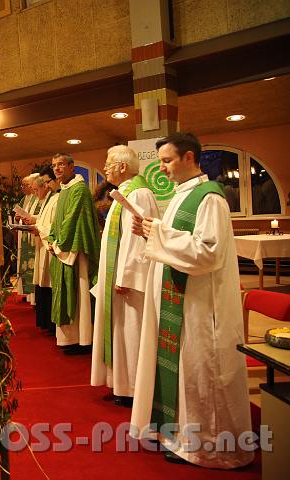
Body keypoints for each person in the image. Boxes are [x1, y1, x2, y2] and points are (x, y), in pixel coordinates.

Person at [130, 132, 252, 468]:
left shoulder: (209, 197)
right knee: (185, 371)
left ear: (189, 158)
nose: (163, 169)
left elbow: (207, 252)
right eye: (160, 163)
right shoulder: (182, 196)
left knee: (201, 371)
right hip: (181, 300)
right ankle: (182, 436)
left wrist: (158, 233)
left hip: (201, 304)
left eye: (167, 161)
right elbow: (173, 242)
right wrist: (152, 230)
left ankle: (210, 447)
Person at [90, 146, 159, 408]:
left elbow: (138, 238)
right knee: (120, 329)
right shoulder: (123, 192)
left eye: (108, 163)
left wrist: (126, 276)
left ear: (122, 167)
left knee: (130, 328)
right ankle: (121, 382)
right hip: (117, 276)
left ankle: (132, 386)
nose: (105, 167)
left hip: (127, 282)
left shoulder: (139, 192)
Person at [46, 153, 101, 355]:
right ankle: (70, 338)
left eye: (61, 164)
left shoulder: (79, 190)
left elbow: (72, 220)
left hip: (77, 252)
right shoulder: (64, 190)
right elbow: (56, 221)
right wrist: (52, 239)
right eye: (54, 166)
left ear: (71, 167)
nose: (57, 169)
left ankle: (82, 338)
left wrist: (59, 244)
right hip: (64, 249)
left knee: (79, 292)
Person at [24, 170, 60, 333]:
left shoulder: (56, 199)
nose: (36, 192)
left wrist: (38, 227)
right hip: (43, 244)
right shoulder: (49, 200)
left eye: (37, 189)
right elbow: (45, 220)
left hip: (50, 246)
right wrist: (36, 222)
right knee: (43, 282)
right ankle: (45, 321)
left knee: (48, 283)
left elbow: (55, 224)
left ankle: (50, 322)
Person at [15, 173, 40, 303]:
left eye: (26, 185)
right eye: (22, 185)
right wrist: (17, 218)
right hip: (24, 235)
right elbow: (17, 214)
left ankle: (35, 297)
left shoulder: (39, 198)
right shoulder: (24, 199)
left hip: (34, 235)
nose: (23, 187)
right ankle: (29, 295)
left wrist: (29, 218)